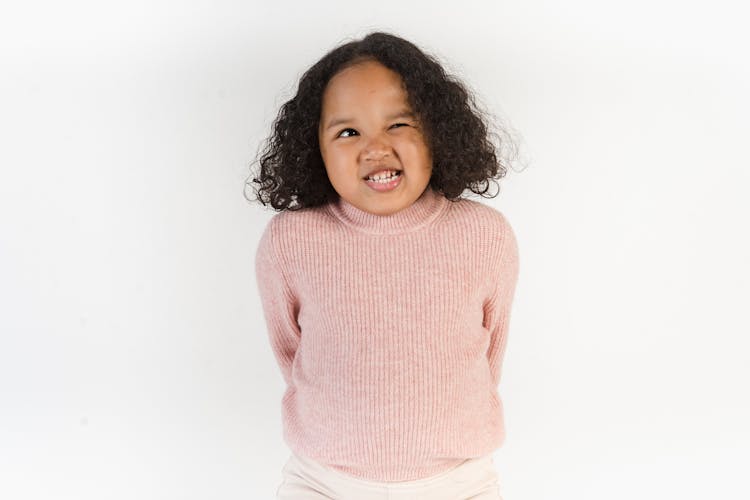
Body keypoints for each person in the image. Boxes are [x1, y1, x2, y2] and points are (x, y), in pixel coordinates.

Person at [247, 31, 521, 500]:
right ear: (316, 148)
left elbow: (487, 349)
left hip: (460, 481)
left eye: (398, 125)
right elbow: (292, 351)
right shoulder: (290, 241)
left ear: (436, 130)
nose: (375, 148)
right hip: (324, 481)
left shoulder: (485, 235)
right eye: (348, 132)